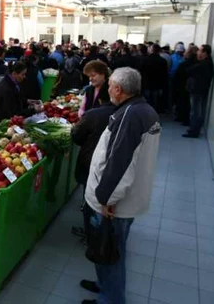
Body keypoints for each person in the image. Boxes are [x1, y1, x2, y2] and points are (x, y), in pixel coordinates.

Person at [79, 67, 160, 304]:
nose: (108, 89)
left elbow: (120, 162)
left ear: (118, 89)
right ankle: (104, 286)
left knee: (111, 252)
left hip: (115, 204)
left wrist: (106, 199)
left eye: (111, 84)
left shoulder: (130, 116)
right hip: (127, 198)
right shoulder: (143, 110)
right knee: (108, 250)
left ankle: (110, 299)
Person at [70, 99, 116, 240]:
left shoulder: (93, 114)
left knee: (90, 199)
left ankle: (92, 233)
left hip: (91, 162)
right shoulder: (124, 113)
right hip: (113, 164)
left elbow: (77, 136)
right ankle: (101, 231)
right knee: (106, 198)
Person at [184, 44, 214, 138]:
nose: (198, 52)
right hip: (201, 90)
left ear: (205, 53)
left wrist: (191, 56)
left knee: (195, 111)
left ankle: (194, 130)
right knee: (198, 111)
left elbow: (188, 70)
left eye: (200, 51)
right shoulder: (207, 63)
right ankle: (195, 129)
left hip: (197, 91)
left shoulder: (203, 64)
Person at [140, 44, 169, 113]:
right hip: (157, 84)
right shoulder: (163, 61)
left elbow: (141, 71)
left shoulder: (145, 59)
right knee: (155, 100)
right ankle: (153, 113)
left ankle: (146, 113)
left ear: (152, 50)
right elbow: (164, 74)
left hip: (147, 83)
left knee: (146, 99)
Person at [173, 46, 197, 126]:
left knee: (183, 102)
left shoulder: (184, 63)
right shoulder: (197, 63)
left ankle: (183, 117)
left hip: (182, 85)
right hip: (191, 86)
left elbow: (177, 75)